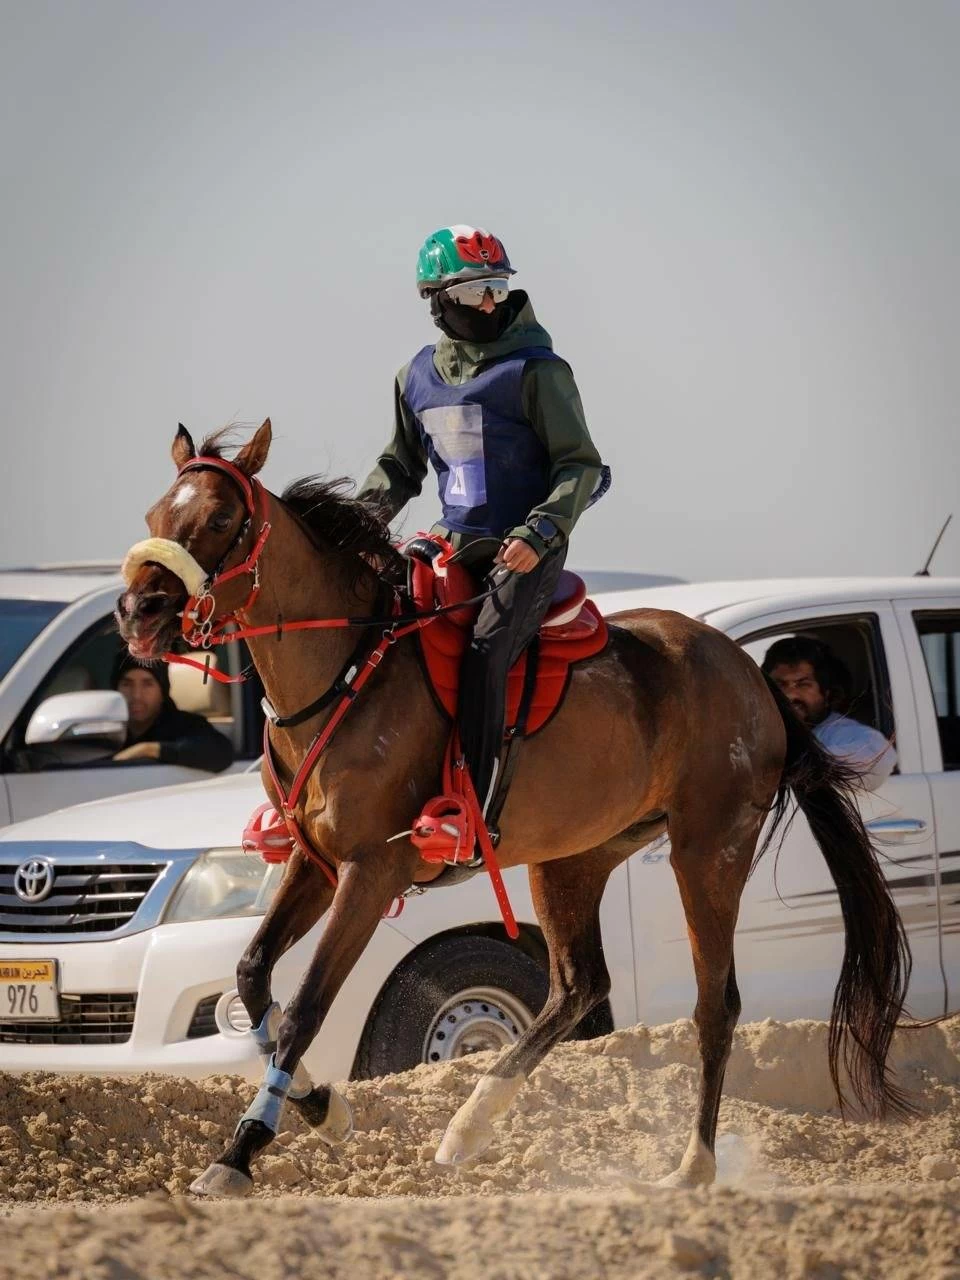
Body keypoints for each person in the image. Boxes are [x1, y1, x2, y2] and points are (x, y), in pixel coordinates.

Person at [359, 224, 608, 819]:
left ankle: (471, 804)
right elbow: (398, 468)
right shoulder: (411, 377)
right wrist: (353, 527)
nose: (491, 302)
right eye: (474, 292)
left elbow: (581, 465)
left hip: (525, 547)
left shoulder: (540, 371)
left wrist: (541, 533)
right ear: (437, 300)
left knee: (486, 647)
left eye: (496, 286)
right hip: (449, 544)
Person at [762, 636, 896, 792]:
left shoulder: (845, 734)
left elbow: (879, 757)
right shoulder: (759, 731)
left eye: (803, 684)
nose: (790, 695)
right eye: (780, 685)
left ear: (825, 693)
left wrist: (780, 764)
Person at [111, 651, 234, 773]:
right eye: (127, 684)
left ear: (163, 692)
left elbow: (221, 752)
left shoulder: (184, 726)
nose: (136, 695)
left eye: (147, 684)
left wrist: (148, 749)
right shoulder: (104, 730)